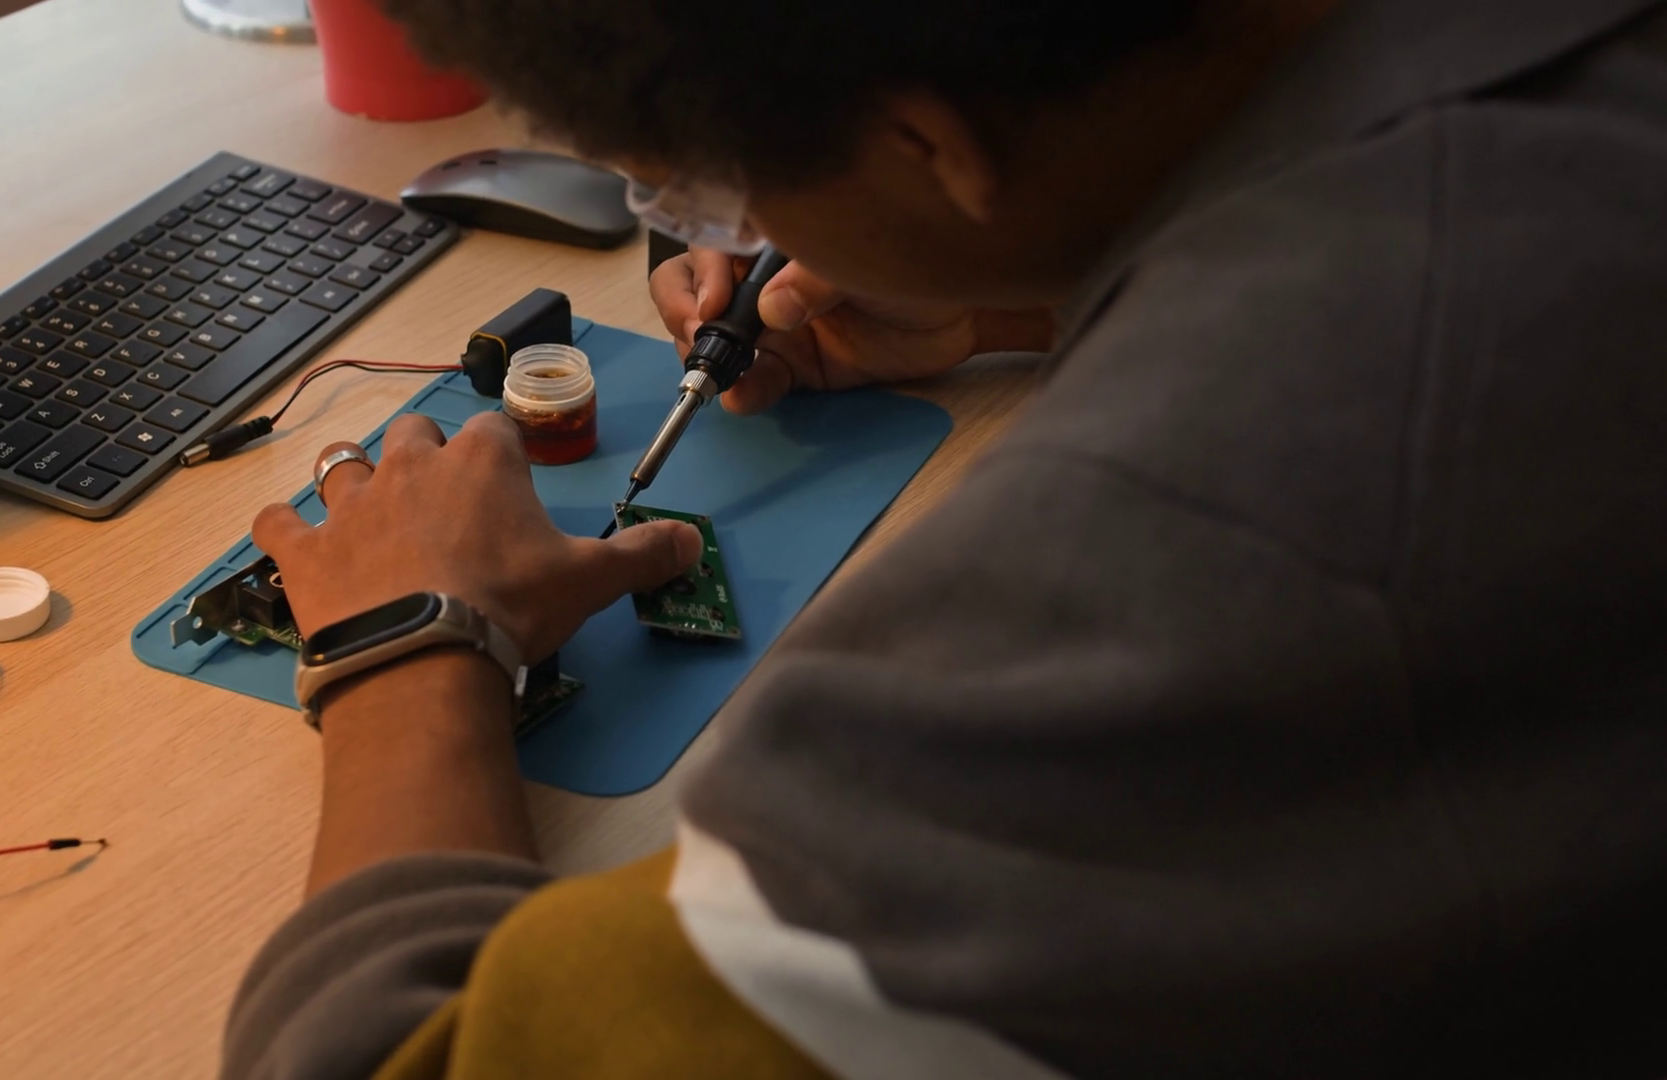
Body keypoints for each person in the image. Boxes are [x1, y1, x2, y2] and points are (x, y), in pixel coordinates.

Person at [223, 0, 1667, 1076]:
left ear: (925, 142)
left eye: (709, 191)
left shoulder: (1194, 549)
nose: (727, 234)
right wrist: (1037, 288)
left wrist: (409, 642)